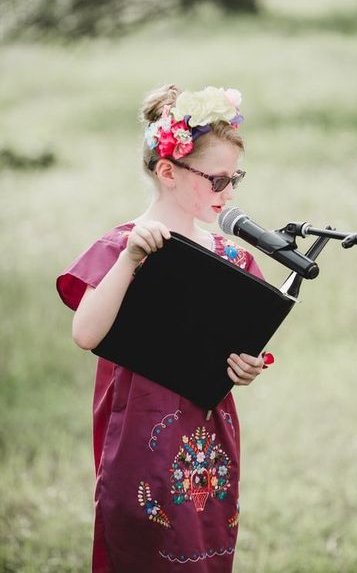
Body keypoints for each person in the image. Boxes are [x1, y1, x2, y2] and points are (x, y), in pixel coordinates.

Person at [56, 84, 271, 573]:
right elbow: (86, 333)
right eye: (217, 180)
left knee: (205, 545)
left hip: (207, 438)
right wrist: (132, 259)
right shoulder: (123, 248)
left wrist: (246, 365)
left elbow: (234, 344)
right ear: (168, 171)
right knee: (140, 546)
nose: (230, 192)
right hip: (138, 432)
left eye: (235, 178)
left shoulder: (231, 258)